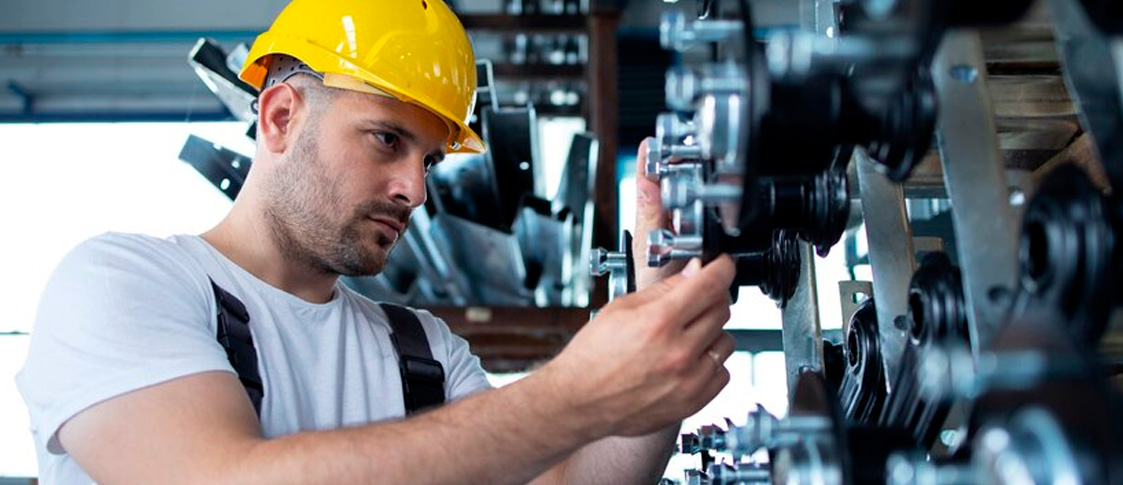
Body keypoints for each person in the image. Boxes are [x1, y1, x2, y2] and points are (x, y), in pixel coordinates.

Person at [17, 0, 737, 483]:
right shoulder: (121, 283)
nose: (415, 190)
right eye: (386, 139)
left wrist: (658, 338)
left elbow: (566, 478)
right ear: (278, 117)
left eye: (427, 159)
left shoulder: (420, 350)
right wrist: (574, 391)